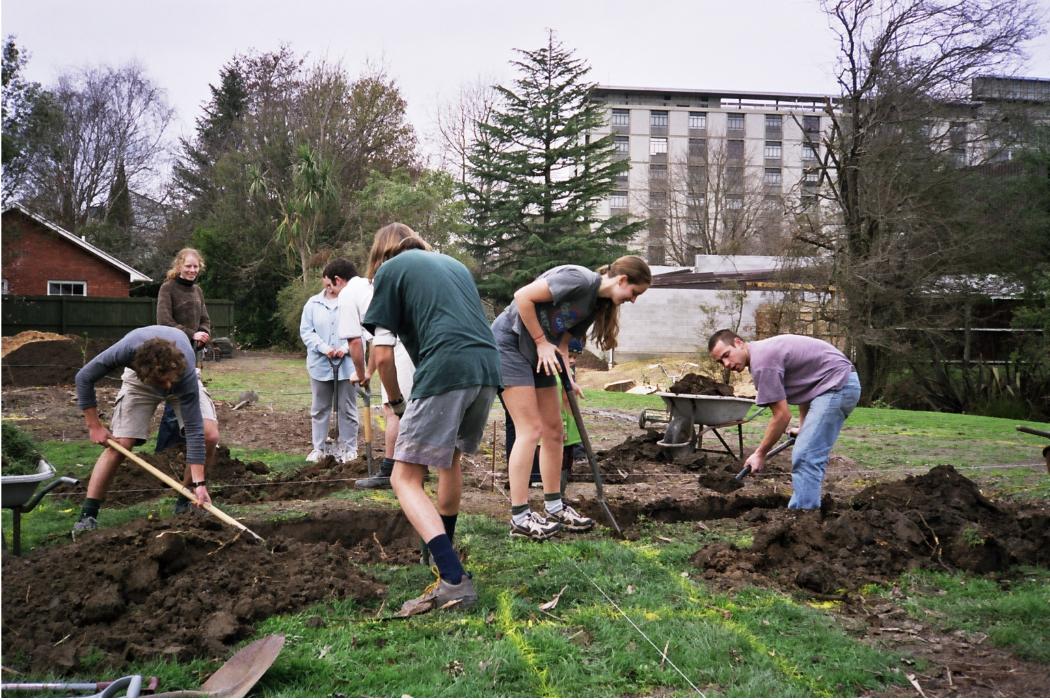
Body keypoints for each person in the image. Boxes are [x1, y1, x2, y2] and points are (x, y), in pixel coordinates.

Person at [363, 229, 501, 613]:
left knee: (402, 477)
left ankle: (453, 578)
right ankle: (440, 551)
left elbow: (384, 356)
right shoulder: (453, 265)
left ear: (380, 255)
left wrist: (394, 401)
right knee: (450, 459)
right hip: (487, 367)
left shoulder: (392, 271)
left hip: (446, 368)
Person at [492, 256, 651, 540]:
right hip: (509, 344)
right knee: (529, 429)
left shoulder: (594, 304)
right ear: (623, 280)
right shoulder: (579, 279)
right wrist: (541, 343)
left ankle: (554, 506)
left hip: (539, 352)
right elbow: (523, 296)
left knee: (554, 430)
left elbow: (563, 345)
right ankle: (520, 516)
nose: (633, 300)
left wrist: (568, 378)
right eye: (634, 293)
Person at [72, 326, 219, 537]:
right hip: (141, 383)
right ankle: (88, 515)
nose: (167, 386)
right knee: (120, 444)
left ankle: (187, 501)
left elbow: (195, 429)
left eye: (169, 381)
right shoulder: (125, 351)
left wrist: (200, 483)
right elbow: (83, 377)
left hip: (181, 376)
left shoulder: (182, 370)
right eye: (163, 383)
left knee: (209, 434)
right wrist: (94, 426)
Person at [708, 329, 861, 510]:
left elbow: (782, 416)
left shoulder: (763, 363)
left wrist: (760, 454)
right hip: (833, 383)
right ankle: (801, 513)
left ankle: (803, 517)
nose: (726, 364)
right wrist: (804, 427)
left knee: (806, 455)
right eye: (720, 361)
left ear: (739, 343)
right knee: (805, 451)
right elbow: (808, 388)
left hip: (838, 385)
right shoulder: (762, 353)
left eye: (727, 355)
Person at [344, 223, 421, 490]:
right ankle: (410, 467)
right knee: (408, 410)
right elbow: (379, 339)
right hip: (417, 348)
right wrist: (369, 371)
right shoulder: (416, 272)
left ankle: (392, 470)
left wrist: (367, 372)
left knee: (395, 410)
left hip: (402, 350)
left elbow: (379, 341)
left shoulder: (385, 278)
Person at [155, 247, 214, 513]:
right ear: (179, 266)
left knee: (185, 399)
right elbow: (164, 321)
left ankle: (177, 443)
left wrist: (203, 333)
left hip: (193, 352)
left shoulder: (197, 291)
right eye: (188, 266)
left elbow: (206, 320)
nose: (191, 271)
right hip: (172, 351)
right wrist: (192, 334)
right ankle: (166, 451)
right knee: (176, 398)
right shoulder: (168, 289)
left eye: (195, 267)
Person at [300, 258, 360, 462]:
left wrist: (344, 349)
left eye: (330, 284)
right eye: (326, 284)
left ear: (337, 280)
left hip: (348, 366)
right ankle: (318, 448)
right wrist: (324, 348)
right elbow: (307, 332)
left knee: (347, 408)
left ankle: (349, 448)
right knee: (319, 408)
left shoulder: (352, 302)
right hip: (320, 365)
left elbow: (361, 331)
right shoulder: (313, 304)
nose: (329, 288)